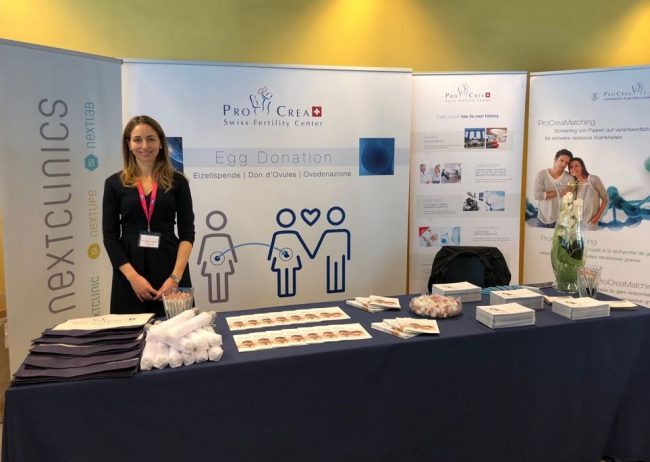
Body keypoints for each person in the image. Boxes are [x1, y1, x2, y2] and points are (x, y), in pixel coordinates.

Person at [103, 115, 195, 317]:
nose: (144, 145)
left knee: (178, 331)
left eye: (151, 139)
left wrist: (175, 278)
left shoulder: (178, 182)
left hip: (170, 270)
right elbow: (109, 237)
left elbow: (187, 234)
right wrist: (133, 278)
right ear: (128, 144)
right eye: (137, 139)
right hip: (130, 273)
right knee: (130, 333)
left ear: (161, 143)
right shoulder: (114, 184)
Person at [532, 148, 574, 226]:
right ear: (555, 159)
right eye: (562, 160)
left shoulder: (569, 177)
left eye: (566, 162)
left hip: (560, 221)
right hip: (542, 219)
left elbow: (570, 199)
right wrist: (561, 192)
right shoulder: (541, 174)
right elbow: (537, 196)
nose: (564, 164)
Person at [569, 157, 608, 230]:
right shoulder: (573, 185)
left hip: (590, 223)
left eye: (576, 165)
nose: (573, 168)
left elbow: (605, 199)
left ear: (582, 167)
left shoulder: (593, 179)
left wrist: (597, 218)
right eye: (571, 167)